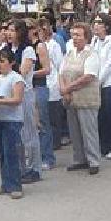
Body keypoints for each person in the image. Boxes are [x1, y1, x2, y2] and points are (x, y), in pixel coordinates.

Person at [59, 22, 101, 175]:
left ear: (86, 37)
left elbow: (88, 77)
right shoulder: (69, 53)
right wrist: (64, 90)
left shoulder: (92, 54)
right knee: (74, 131)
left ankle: (93, 160)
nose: (74, 38)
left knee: (88, 130)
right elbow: (61, 73)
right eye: (73, 35)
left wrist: (68, 88)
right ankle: (79, 159)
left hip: (86, 99)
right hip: (71, 99)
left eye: (78, 35)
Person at [6, 19, 42, 184]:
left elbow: (23, 71)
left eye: (12, 30)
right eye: (8, 30)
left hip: (25, 93)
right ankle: (21, 167)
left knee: (29, 132)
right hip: (10, 94)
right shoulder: (6, 49)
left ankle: (34, 168)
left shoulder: (27, 50)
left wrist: (7, 67)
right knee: (17, 135)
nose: (9, 33)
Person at [0, 49, 26, 199]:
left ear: (11, 62)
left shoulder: (16, 78)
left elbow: (17, 100)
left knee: (12, 152)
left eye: (3, 61)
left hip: (12, 120)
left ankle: (16, 185)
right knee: (2, 153)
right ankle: (6, 183)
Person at [91, 13, 111, 159]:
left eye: (99, 23)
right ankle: (103, 146)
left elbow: (109, 64)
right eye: (95, 22)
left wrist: (98, 81)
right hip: (97, 84)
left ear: (106, 26)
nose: (96, 25)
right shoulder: (94, 42)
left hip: (110, 83)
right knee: (101, 116)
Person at [29, 19, 54, 169]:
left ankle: (47, 157)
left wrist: (29, 74)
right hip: (28, 88)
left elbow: (47, 69)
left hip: (39, 87)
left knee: (42, 123)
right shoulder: (25, 48)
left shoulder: (39, 46)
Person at [43, 22, 66, 151]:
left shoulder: (54, 45)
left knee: (54, 115)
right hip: (43, 83)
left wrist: (60, 81)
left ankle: (56, 141)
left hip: (53, 82)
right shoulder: (38, 46)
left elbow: (59, 65)